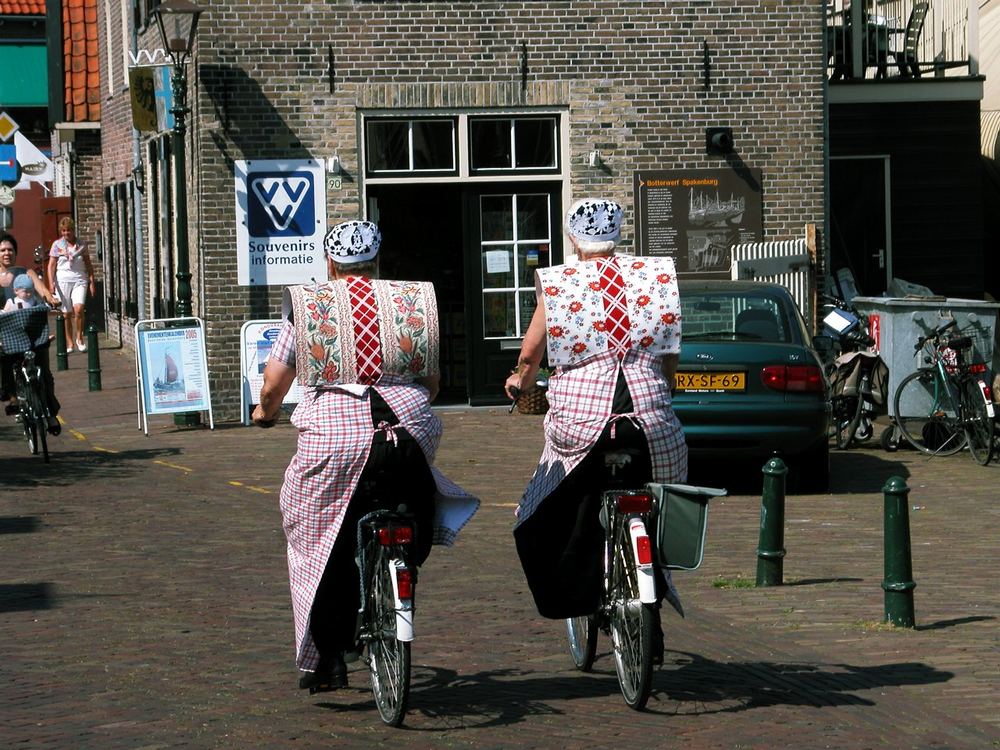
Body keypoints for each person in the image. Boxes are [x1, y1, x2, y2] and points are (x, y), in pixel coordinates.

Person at [252, 219, 479, 692]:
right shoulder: (409, 301)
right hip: (407, 428)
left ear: (330, 263)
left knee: (312, 533)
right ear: (377, 263)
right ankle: (401, 562)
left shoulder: (311, 304)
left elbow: (275, 384)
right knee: (411, 492)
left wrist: (263, 412)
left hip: (336, 437)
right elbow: (432, 382)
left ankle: (327, 655)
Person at [503, 198, 687, 654]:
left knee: (553, 489)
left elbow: (530, 356)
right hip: (650, 420)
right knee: (665, 493)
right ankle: (657, 579)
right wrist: (660, 391)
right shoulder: (655, 276)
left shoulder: (561, 283)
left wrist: (519, 381)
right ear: (620, 233)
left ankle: (579, 577)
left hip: (583, 425)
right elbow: (669, 360)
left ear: (572, 239)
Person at [47, 216, 96, 353]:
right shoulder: (57, 246)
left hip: (80, 279)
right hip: (62, 280)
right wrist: (51, 283)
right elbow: (51, 266)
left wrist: (91, 281)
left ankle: (79, 337)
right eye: (63, 231)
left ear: (73, 230)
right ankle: (69, 342)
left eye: (68, 230)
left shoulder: (82, 245)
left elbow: (88, 264)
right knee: (66, 313)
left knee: (79, 309)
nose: (66, 233)